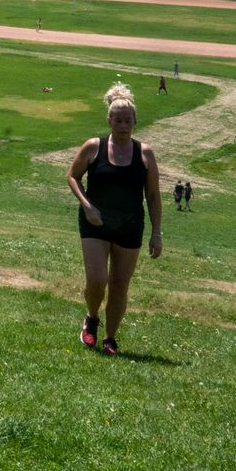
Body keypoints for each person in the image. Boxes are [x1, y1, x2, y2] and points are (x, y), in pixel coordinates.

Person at [67, 83, 163, 356]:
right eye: (118, 120)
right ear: (109, 121)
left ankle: (110, 337)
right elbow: (72, 176)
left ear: (135, 122)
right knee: (97, 279)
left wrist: (157, 233)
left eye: (128, 120)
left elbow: (154, 196)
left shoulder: (145, 154)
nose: (123, 125)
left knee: (120, 284)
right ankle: (91, 317)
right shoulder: (93, 147)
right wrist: (87, 206)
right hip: (95, 222)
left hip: (130, 225)